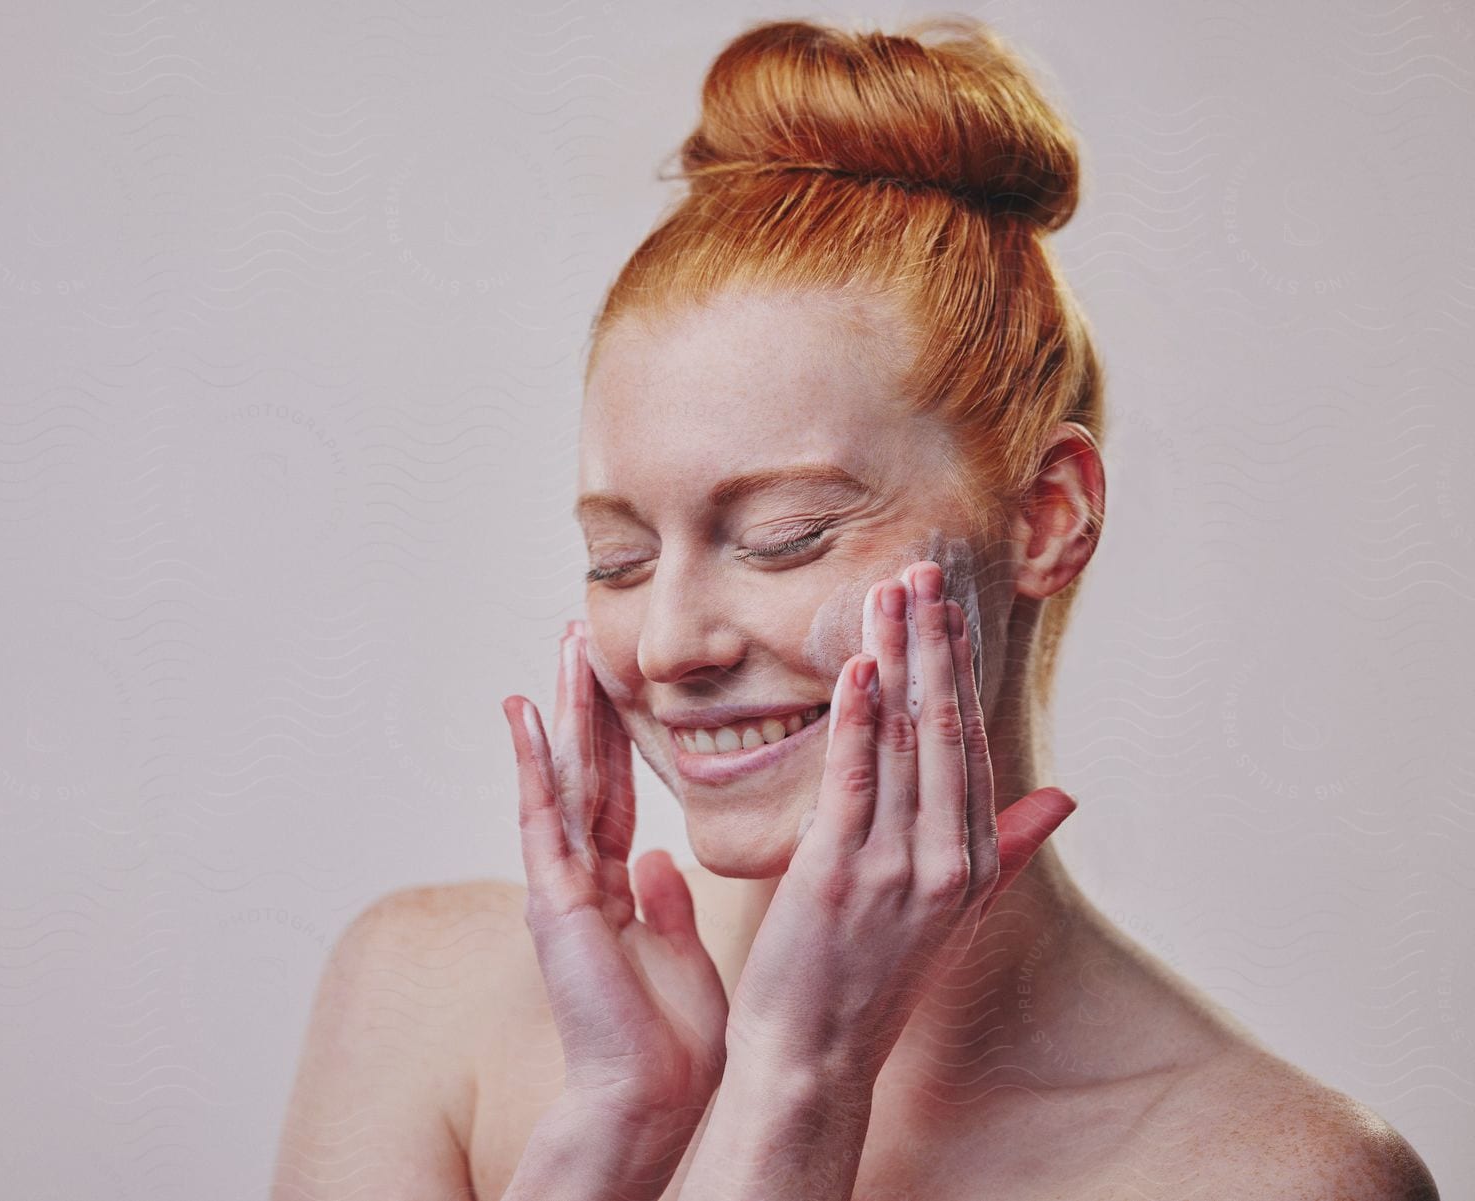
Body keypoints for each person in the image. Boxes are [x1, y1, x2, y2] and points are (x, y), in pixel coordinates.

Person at [272, 16, 1440, 1200]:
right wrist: (612, 1131)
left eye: (786, 538)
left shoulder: (1270, 1175)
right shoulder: (417, 1004)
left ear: (1047, 518)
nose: (670, 644)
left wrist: (794, 1077)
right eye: (618, 557)